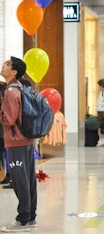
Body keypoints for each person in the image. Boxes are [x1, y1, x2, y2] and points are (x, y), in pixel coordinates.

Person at [0, 57, 37, 232]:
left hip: (16, 141)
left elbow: (9, 119)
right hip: (26, 139)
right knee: (28, 179)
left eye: (7, 64)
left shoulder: (10, 91)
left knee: (20, 180)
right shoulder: (21, 87)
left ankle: (22, 220)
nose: (3, 65)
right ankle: (30, 217)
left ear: (14, 72)